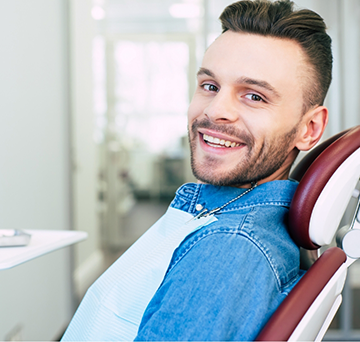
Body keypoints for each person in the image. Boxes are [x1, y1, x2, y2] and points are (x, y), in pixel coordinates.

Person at [62, 0, 332, 340]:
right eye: (210, 86)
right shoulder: (220, 215)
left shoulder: (229, 249)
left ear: (308, 128)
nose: (216, 111)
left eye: (254, 96)